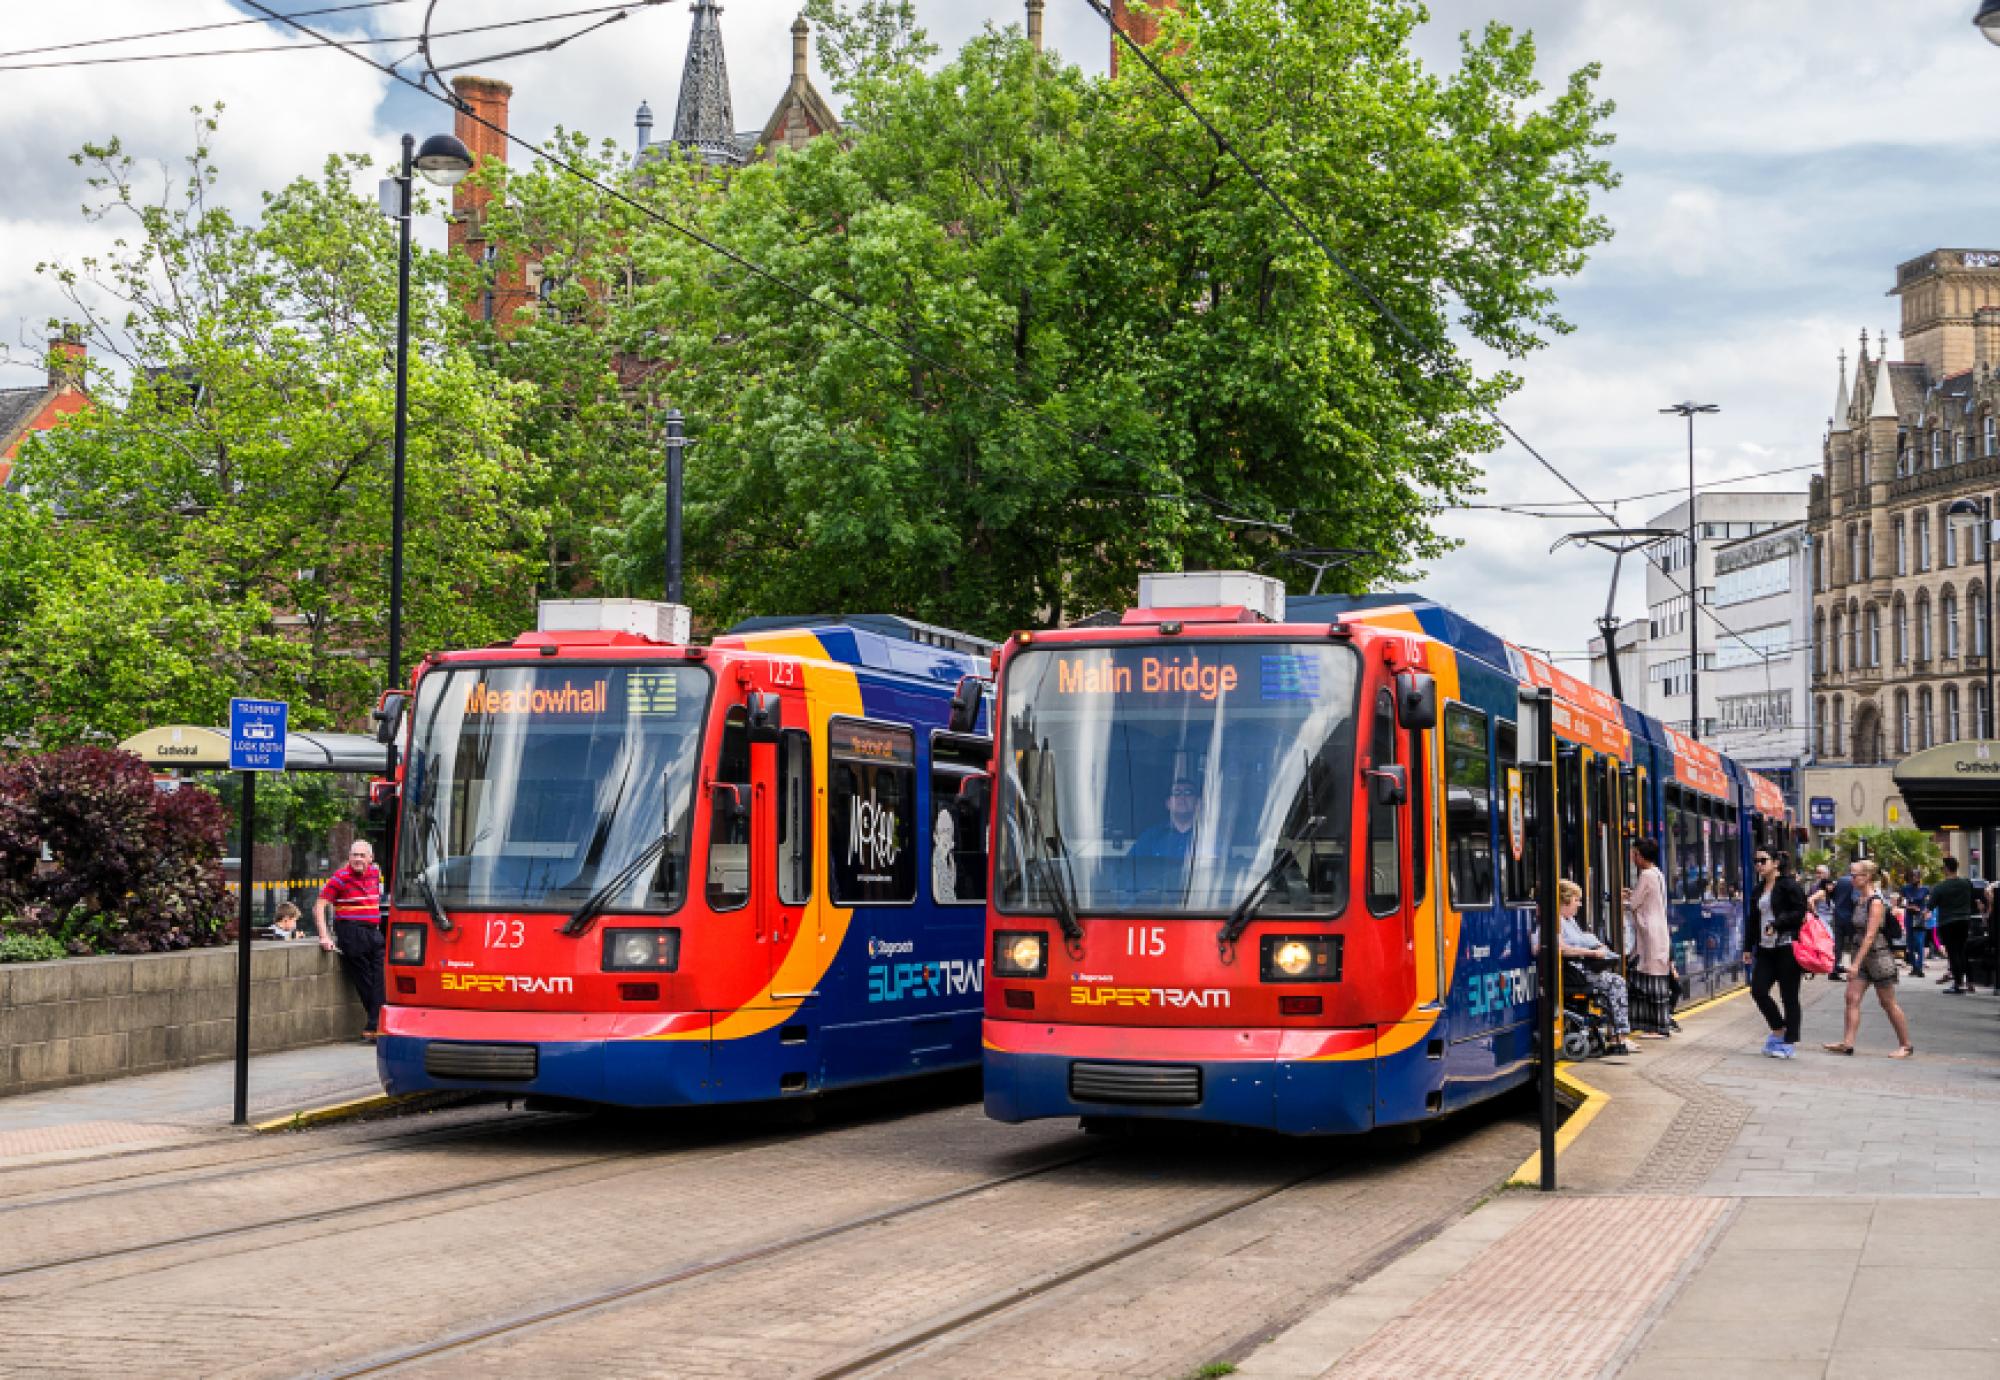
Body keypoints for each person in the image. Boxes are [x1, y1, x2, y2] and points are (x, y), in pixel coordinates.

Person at [1823, 859, 1914, 1058]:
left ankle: (1906, 1045)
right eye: (1851, 874)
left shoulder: (1876, 902)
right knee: (1851, 997)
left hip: (1878, 958)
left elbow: (1870, 936)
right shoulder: (1860, 899)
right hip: (1861, 956)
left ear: (1868, 877)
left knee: (1887, 1002)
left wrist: (1854, 964)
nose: (1851, 878)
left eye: (1855, 875)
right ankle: (1847, 1043)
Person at [1550, 879, 1635, 1055]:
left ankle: (1617, 1033)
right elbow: (1562, 949)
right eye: (1576, 900)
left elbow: (1582, 939)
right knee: (1616, 983)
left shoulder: (1569, 920)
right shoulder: (1557, 921)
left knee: (1615, 981)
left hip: (1581, 969)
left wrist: (1598, 947)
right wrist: (1593, 953)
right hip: (1575, 971)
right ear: (1565, 900)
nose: (1579, 905)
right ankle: (1618, 1036)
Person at [316, 840, 386, 1041]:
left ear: (370, 859)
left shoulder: (375, 873)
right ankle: (375, 1027)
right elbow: (320, 905)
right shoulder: (340, 878)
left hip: (373, 931)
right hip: (351, 931)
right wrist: (324, 936)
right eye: (354, 855)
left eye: (362, 856)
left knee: (380, 979)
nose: (357, 859)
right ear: (349, 857)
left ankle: (374, 1025)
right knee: (365, 981)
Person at [1743, 848, 1807, 1058]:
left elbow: (1799, 912)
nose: (1758, 865)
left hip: (1787, 947)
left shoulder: (1789, 885)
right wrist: (1747, 947)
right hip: (1765, 949)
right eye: (1756, 861)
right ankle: (1779, 1030)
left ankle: (1788, 1043)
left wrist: (1777, 924)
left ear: (1776, 863)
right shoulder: (1758, 889)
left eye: (1763, 860)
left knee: (1789, 997)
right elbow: (1753, 921)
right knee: (1758, 990)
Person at [1624, 838, 1674, 1038]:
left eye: (1634, 853)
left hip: (1649, 933)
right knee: (1655, 977)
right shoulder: (1657, 874)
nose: (1632, 857)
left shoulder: (1645, 875)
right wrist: (1631, 894)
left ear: (1641, 857)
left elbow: (1635, 904)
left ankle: (1656, 1027)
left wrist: (1623, 899)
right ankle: (1656, 1024)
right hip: (1658, 929)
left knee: (1650, 980)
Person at [1929, 855, 1978, 996]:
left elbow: (1931, 905)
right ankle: (1970, 982)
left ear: (1945, 868)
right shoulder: (1966, 883)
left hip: (1948, 921)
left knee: (1953, 952)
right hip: (1964, 920)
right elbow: (1974, 898)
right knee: (1962, 950)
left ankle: (1958, 984)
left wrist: (1925, 912)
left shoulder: (1940, 887)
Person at [1806, 864, 1856, 981]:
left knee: (1836, 945)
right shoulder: (1851, 882)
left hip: (1835, 919)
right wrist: (1815, 914)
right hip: (1834, 920)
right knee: (1848, 944)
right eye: (1817, 873)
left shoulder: (1839, 883)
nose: (1831, 886)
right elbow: (1855, 898)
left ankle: (1832, 969)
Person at [1901, 870, 1932, 978]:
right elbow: (1901, 903)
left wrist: (1928, 912)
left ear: (1919, 877)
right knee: (1910, 943)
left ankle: (1919, 967)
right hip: (1909, 917)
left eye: (1915, 876)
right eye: (1911, 876)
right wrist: (1910, 907)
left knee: (1919, 942)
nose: (1913, 878)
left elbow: (1929, 903)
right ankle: (1914, 967)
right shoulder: (1905, 889)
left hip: (1920, 917)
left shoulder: (1925, 889)